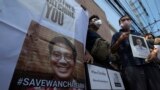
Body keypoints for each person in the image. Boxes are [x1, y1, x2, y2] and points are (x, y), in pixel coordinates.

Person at [111, 15, 160, 90]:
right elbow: (112, 50)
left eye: (128, 19)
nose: (126, 21)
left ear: (131, 22)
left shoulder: (138, 34)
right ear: (120, 24)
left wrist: (154, 52)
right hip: (131, 67)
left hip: (148, 65)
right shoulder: (116, 35)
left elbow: (151, 46)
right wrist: (120, 40)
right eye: (123, 20)